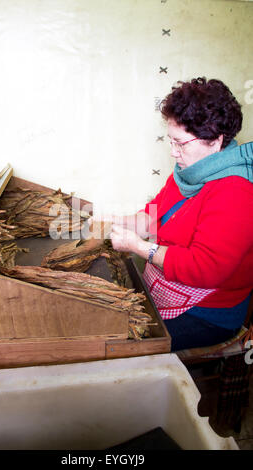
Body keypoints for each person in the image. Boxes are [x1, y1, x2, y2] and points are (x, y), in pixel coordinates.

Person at [103, 77, 253, 351]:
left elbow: (204, 268)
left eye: (181, 143)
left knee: (118, 339)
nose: (173, 153)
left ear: (216, 140)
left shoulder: (236, 192)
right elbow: (154, 215)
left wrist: (138, 246)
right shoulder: (191, 172)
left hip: (207, 312)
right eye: (171, 142)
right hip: (168, 288)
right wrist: (109, 222)